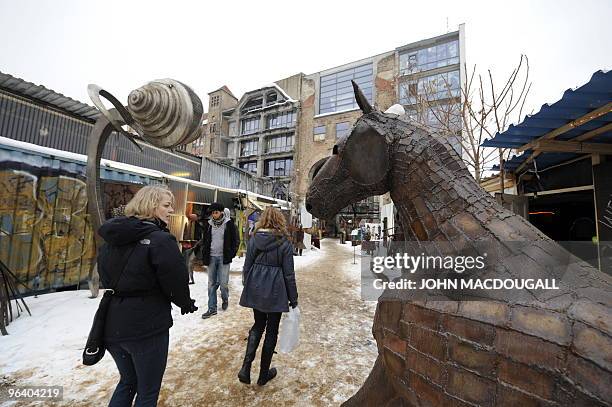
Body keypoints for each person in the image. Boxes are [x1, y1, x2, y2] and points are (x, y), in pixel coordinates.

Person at [97, 185, 197, 407]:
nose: (171, 210)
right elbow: (175, 279)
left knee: (127, 382)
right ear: (151, 205)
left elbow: (104, 274)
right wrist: (185, 302)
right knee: (148, 391)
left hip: (112, 324)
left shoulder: (112, 236)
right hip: (146, 327)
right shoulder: (161, 239)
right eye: (166, 205)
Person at [238, 207, 298, 386]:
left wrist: (247, 285)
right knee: (272, 330)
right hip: (276, 291)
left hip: (256, 287)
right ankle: (264, 374)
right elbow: (289, 274)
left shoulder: (255, 238)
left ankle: (245, 368)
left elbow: (247, 265)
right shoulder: (285, 242)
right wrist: (293, 298)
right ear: (280, 221)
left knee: (258, 325)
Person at [192, 202, 239, 319]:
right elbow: (206, 240)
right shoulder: (208, 225)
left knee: (223, 284)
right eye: (213, 213)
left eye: (216, 212)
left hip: (224, 258)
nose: (214, 215)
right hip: (212, 257)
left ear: (221, 212)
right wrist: (203, 253)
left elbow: (235, 241)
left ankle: (225, 298)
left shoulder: (229, 224)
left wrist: (231, 254)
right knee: (211, 284)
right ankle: (211, 308)